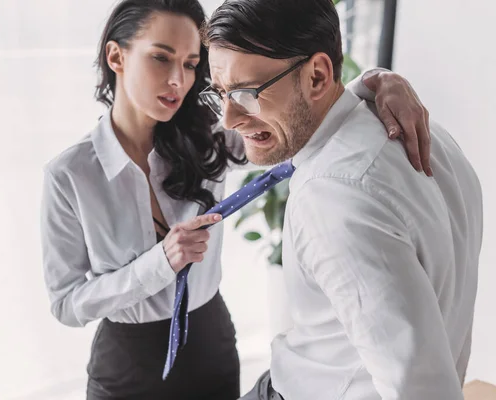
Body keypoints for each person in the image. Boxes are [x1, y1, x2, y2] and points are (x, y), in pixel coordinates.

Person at [40, 0, 434, 399]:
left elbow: (298, 118)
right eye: (162, 58)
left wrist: (377, 81)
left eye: (192, 64)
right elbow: (67, 304)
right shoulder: (70, 175)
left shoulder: (211, 134)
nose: (179, 79)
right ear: (116, 55)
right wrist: (161, 263)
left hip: (210, 343)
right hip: (126, 362)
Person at [202, 0, 483, 399]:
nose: (227, 119)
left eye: (246, 93)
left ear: (317, 75)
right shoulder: (424, 130)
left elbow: (421, 390)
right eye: (220, 93)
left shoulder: (332, 199)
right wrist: (378, 78)